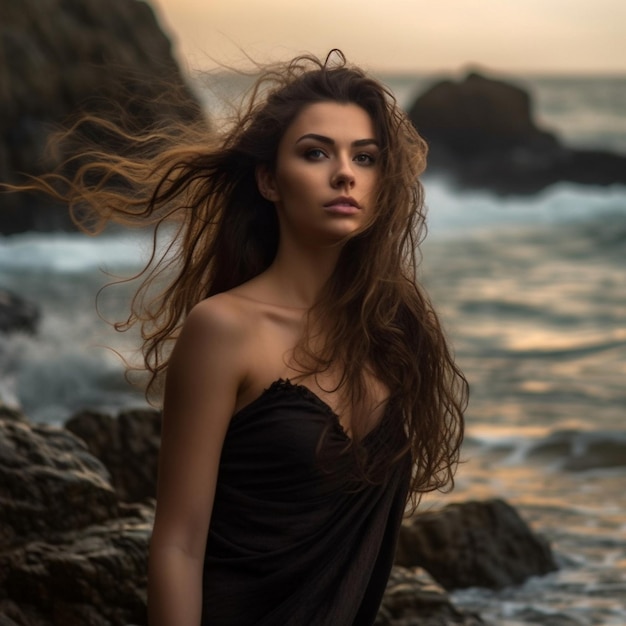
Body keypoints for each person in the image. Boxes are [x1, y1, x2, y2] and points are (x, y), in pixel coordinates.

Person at [29, 50, 467, 625]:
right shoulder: (224, 328)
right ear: (268, 180)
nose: (345, 172)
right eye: (316, 153)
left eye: (365, 157)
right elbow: (178, 546)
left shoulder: (392, 337)